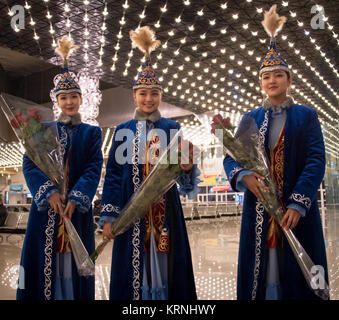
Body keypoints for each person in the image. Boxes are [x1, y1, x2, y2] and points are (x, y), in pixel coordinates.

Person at [223, 5, 328, 300]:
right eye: (266, 76)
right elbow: (231, 158)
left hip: (297, 213)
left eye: (278, 75)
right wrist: (244, 176)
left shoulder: (306, 116)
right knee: (263, 271)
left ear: (289, 80)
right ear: (260, 83)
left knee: (298, 274)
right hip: (258, 212)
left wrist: (298, 202)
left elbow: (316, 159)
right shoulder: (250, 118)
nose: (272, 80)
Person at [99, 26, 199, 300]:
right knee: (133, 267)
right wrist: (108, 217)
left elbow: (182, 176)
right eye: (143, 93)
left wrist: (187, 168)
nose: (148, 99)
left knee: (166, 261)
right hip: (129, 211)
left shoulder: (172, 128)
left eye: (154, 93)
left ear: (161, 95)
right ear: (134, 95)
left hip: (165, 209)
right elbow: (113, 175)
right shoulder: (122, 131)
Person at [17, 36, 103, 300]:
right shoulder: (43, 131)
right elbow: (30, 164)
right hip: (46, 212)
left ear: (81, 100)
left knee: (74, 265)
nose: (68, 102)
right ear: (57, 101)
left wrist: (77, 197)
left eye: (73, 97)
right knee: (44, 263)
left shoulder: (91, 133)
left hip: (75, 212)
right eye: (63, 97)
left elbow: (93, 167)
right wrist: (48, 193)